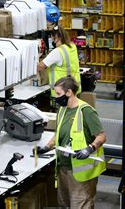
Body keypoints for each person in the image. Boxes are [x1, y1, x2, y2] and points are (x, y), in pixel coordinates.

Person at [35, 76, 106, 208]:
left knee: (80, 205)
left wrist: (90, 148)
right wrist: (47, 147)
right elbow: (59, 133)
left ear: (69, 92)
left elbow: (101, 136)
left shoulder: (86, 111)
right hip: (63, 168)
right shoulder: (62, 109)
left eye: (58, 94)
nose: (56, 97)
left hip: (81, 173)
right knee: (63, 205)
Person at [37, 28, 81, 100]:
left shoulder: (58, 51)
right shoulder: (72, 46)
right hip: (74, 88)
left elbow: (40, 66)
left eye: (52, 38)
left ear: (57, 37)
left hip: (62, 92)